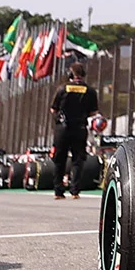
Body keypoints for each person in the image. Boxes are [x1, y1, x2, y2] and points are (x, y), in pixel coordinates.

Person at [49, 64, 99, 199]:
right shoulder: (90, 91)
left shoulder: (62, 89)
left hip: (63, 128)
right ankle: (75, 190)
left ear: (70, 75)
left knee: (60, 159)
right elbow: (93, 112)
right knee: (78, 159)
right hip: (80, 127)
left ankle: (58, 191)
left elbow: (53, 109)